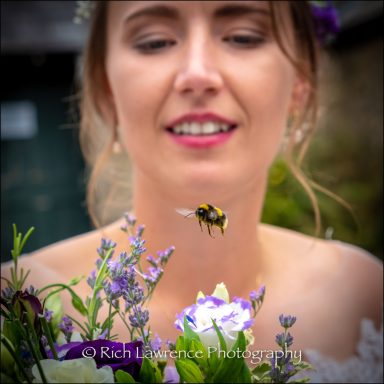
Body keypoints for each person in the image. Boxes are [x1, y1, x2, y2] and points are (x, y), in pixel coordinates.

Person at [2, 1, 382, 382]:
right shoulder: (13, 311)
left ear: (300, 82)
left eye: (242, 37)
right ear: (106, 90)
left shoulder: (364, 298)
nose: (198, 74)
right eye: (155, 42)